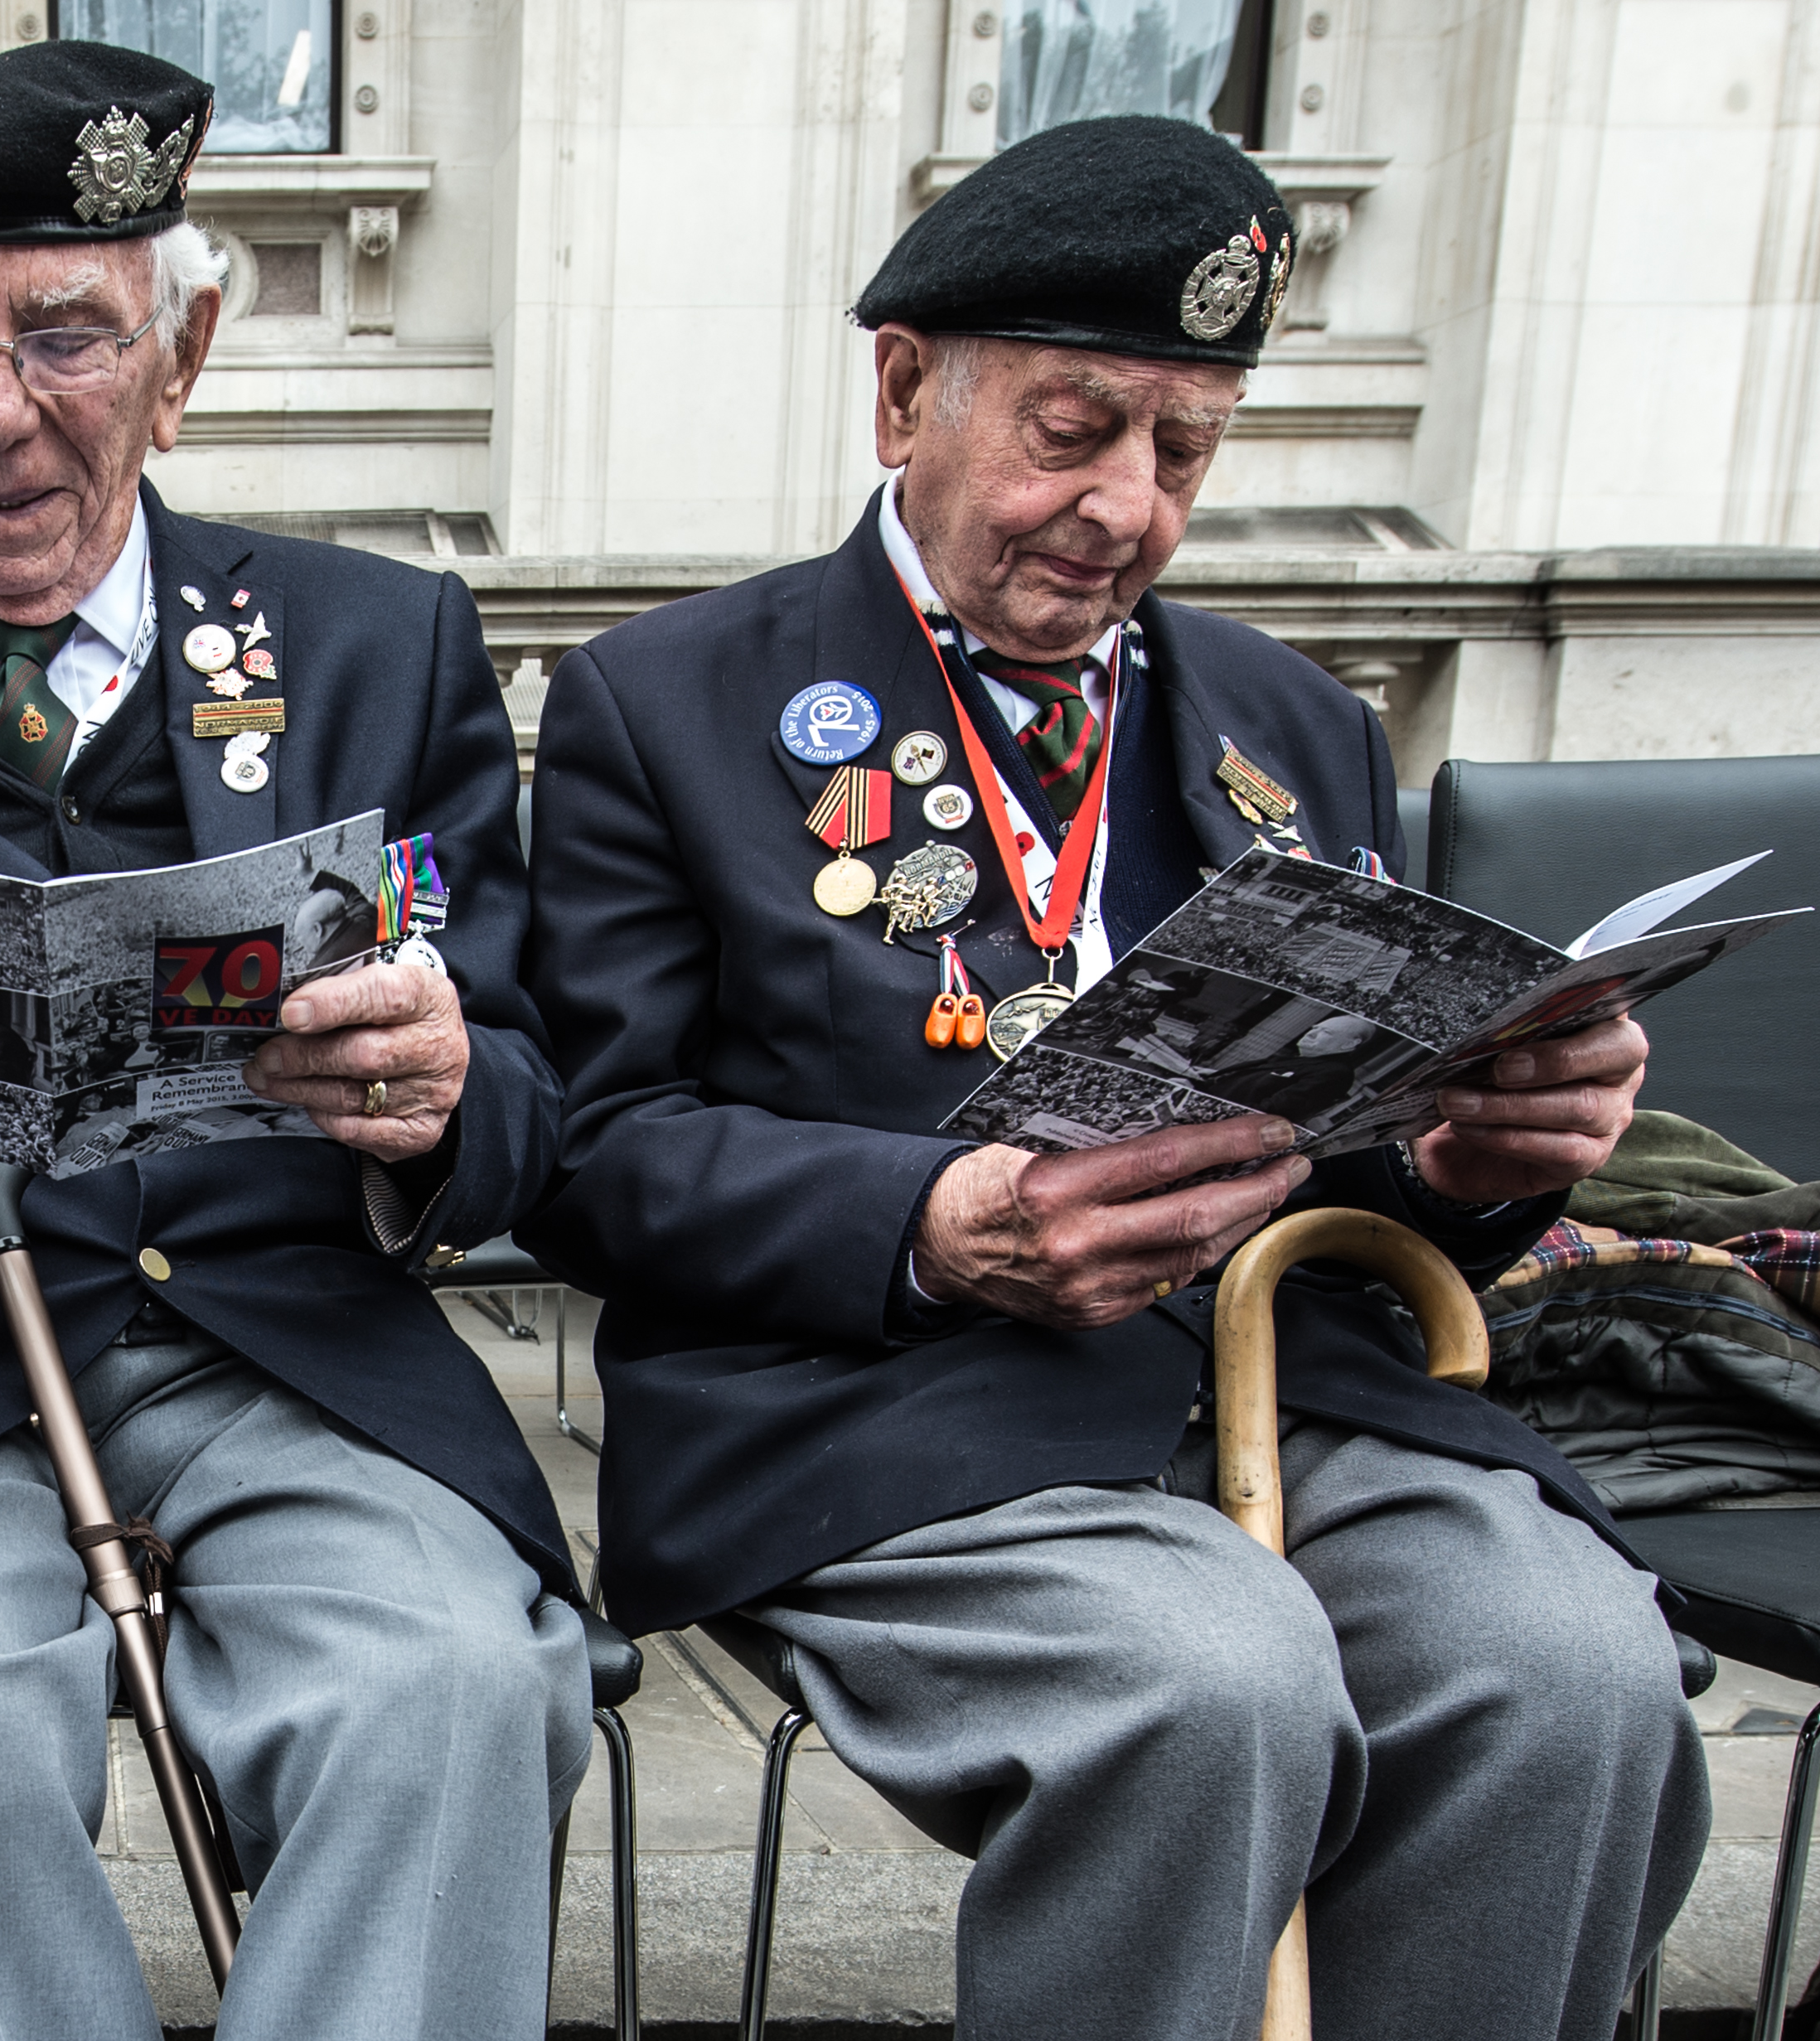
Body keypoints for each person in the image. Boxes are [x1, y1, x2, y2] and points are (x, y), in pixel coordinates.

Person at [520, 115, 1704, 2041]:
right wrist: (928, 1221)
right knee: (1208, 1685)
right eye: (1072, 432)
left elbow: (1369, 1180)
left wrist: (1484, 1159)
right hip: (874, 1412)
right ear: (903, 389)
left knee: (1567, 1669)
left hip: (1269, 1377)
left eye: (1184, 452)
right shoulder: (662, 703)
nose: (1124, 508)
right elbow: (585, 1154)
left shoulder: (1293, 719)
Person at [0, 41, 591, 2041]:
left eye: (65, 337)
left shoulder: (374, 646)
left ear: (185, 350)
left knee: (452, 1688)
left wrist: (437, 1094)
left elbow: (535, 1114)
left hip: (289, 1346)